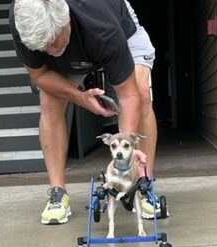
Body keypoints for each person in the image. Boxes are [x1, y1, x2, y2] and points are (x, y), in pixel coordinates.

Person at [9, 0, 159, 224]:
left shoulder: (101, 26)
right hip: (76, 38)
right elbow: (40, 76)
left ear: (66, 20)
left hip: (120, 29)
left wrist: (123, 161)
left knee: (141, 93)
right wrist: (80, 97)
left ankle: (143, 184)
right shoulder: (23, 18)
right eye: (43, 47)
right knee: (49, 99)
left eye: (52, 42)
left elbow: (127, 96)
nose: (50, 50)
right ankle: (57, 193)